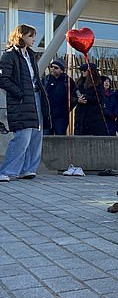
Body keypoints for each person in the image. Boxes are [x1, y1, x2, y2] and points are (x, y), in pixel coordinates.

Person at [0, 24, 48, 181]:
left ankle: (28, 169)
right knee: (23, 136)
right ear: (21, 36)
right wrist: (19, 93)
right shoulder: (9, 55)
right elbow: (3, 79)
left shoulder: (30, 55)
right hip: (22, 100)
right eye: (31, 36)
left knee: (36, 135)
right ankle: (6, 171)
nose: (34, 39)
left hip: (35, 97)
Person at [41, 59, 77, 135]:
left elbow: (74, 97)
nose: (53, 69)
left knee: (60, 136)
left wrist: (67, 108)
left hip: (61, 116)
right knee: (45, 138)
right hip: (47, 116)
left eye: (56, 68)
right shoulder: (45, 80)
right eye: (51, 67)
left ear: (62, 70)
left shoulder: (68, 81)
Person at [74, 63, 108, 136]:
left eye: (84, 70)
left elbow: (100, 98)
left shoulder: (98, 84)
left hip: (94, 116)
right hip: (81, 115)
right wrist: (78, 100)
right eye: (82, 70)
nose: (82, 72)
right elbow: (72, 97)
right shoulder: (79, 83)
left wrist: (87, 98)